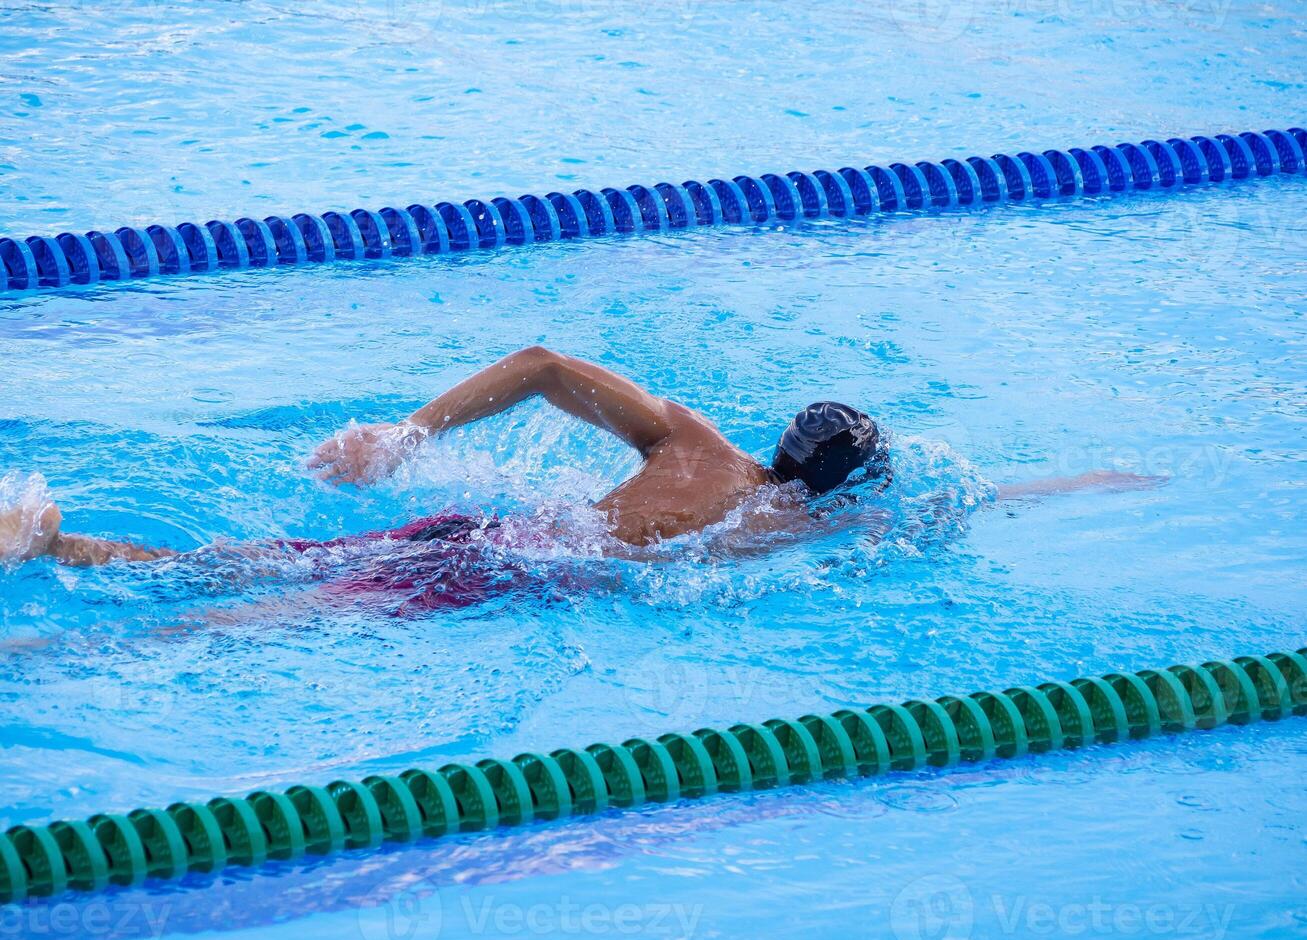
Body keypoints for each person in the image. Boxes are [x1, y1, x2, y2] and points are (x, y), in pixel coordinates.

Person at [0, 345, 1159, 574]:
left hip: (494, 538)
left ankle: (61, 542)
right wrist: (1089, 482)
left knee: (271, 563)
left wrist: (412, 434)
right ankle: (47, 558)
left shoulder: (699, 445)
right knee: (255, 596)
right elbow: (972, 499)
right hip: (494, 572)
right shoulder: (807, 524)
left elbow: (546, 363)